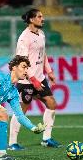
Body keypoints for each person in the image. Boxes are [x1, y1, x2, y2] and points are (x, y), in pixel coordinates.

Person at [8, 8, 62, 151]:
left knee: (51, 103)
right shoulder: (24, 38)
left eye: (42, 16)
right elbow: (22, 62)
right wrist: (33, 79)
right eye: (39, 16)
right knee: (21, 111)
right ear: (31, 19)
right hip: (26, 80)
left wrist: (49, 71)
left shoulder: (41, 34)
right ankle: (12, 143)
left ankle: (46, 139)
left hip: (40, 77)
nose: (42, 19)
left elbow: (43, 54)